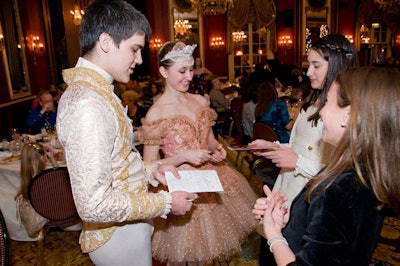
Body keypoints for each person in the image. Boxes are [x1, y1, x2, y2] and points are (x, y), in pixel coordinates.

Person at [56, 1, 196, 265]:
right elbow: (93, 204)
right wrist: (165, 203)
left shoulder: (98, 92)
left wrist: (152, 171)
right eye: (134, 49)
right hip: (115, 236)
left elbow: (116, 165)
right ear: (107, 42)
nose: (139, 60)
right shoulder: (87, 103)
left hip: (125, 226)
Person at [253, 67, 400, 265]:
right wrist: (293, 221)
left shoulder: (338, 188)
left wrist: (274, 234)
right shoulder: (368, 171)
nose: (320, 111)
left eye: (327, 103)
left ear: (348, 116)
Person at [141, 41, 258, 265]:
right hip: (182, 187)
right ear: (163, 71)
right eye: (182, 71)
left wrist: (217, 151)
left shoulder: (200, 101)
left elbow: (211, 141)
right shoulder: (156, 114)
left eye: (191, 69)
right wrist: (184, 156)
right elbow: (149, 165)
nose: (189, 76)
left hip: (212, 180)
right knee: (191, 255)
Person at [247, 33, 358, 264]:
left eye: (316, 65)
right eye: (309, 65)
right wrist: (273, 146)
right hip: (286, 189)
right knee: (271, 249)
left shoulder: (344, 112)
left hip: (308, 197)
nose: (308, 72)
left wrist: (297, 162)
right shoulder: (314, 99)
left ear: (337, 64)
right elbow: (303, 144)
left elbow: (342, 171)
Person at [15, 143, 58, 237]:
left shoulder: (28, 181)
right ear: (41, 157)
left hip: (38, 215)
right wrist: (52, 158)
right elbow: (60, 180)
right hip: (52, 213)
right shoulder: (44, 179)